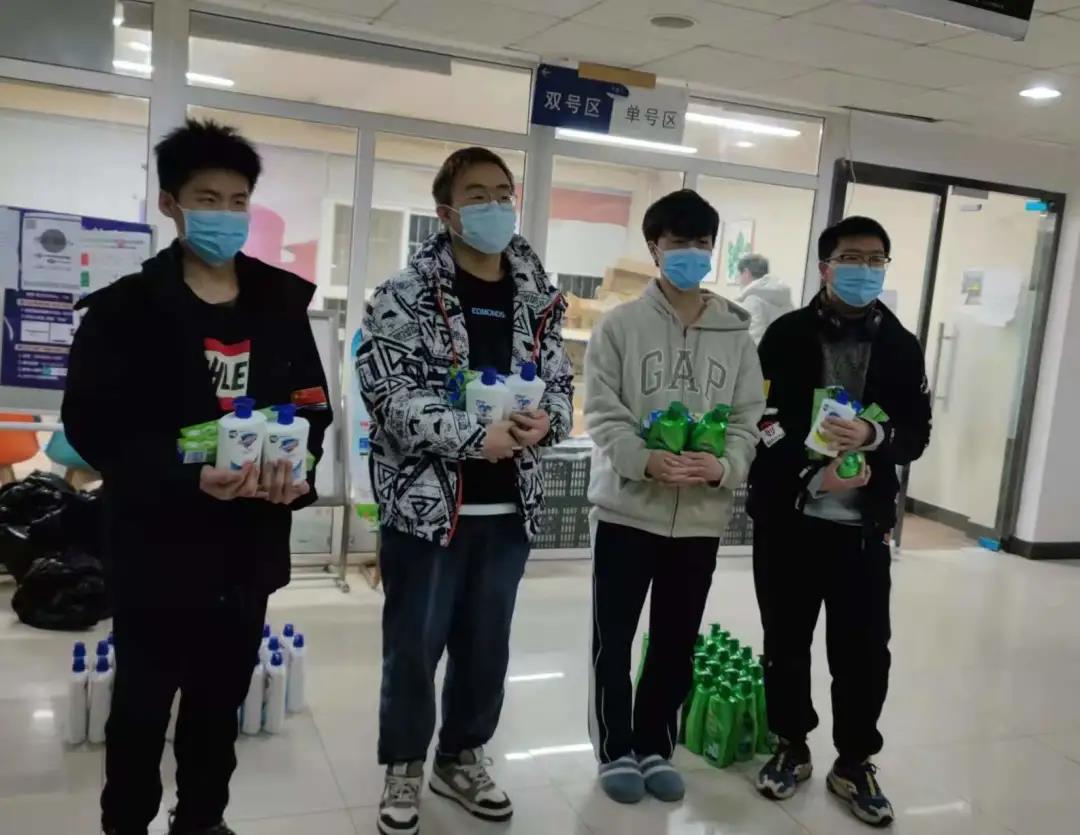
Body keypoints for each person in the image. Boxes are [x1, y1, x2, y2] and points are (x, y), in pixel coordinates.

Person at [62, 119, 332, 835]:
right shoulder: (125, 309)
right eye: (207, 199)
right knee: (142, 707)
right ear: (171, 203)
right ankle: (126, 823)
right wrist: (186, 477)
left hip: (246, 547)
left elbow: (312, 406)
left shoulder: (279, 304)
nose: (225, 214)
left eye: (238, 200)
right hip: (156, 546)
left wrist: (298, 470)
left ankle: (203, 819)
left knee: (218, 703)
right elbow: (91, 426)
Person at [356, 147, 574, 835]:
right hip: (426, 510)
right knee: (413, 647)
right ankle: (403, 766)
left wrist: (548, 420)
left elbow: (562, 386)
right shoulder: (403, 295)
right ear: (446, 212)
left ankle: (461, 757)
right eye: (477, 194)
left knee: (486, 646)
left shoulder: (538, 295)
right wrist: (474, 437)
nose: (494, 205)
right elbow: (389, 395)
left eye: (503, 192)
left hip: (509, 508)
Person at [584, 189, 765, 805]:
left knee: (675, 640)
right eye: (679, 242)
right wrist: (642, 459)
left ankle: (654, 745)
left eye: (702, 243)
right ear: (654, 247)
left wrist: (723, 466)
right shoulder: (620, 326)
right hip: (628, 510)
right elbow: (602, 410)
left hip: (700, 520)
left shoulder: (737, 337)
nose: (692, 253)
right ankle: (615, 748)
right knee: (614, 638)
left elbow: (748, 418)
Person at [749, 216, 931, 827]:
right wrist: (810, 471)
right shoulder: (786, 334)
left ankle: (854, 761)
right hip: (789, 519)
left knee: (864, 651)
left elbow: (916, 433)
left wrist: (874, 436)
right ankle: (791, 744)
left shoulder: (901, 345)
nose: (865, 269)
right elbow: (761, 418)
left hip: (862, 528)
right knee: (785, 640)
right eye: (852, 258)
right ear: (826, 266)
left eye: (876, 260)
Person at [736, 253, 794, 344]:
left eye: (739, 274)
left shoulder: (753, 299)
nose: (739, 279)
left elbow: (754, 339)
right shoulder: (782, 294)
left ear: (746, 273)